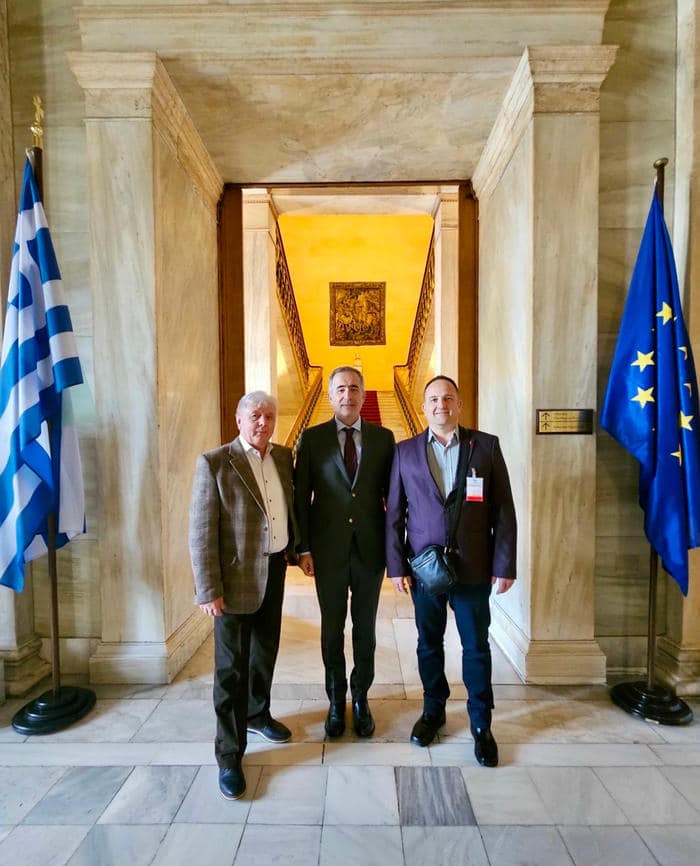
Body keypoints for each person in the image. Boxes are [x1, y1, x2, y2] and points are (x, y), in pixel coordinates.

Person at [385, 375, 516, 767]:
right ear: (423, 407)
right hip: (426, 570)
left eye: (447, 398)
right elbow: (395, 514)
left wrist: (504, 565)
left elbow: (503, 510)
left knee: (476, 646)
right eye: (433, 399)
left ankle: (481, 723)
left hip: (474, 567)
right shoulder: (404, 452)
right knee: (428, 643)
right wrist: (396, 566)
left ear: (459, 404)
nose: (440, 405)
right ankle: (433, 711)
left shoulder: (485, 446)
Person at [189, 391, 298, 800]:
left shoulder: (283, 457)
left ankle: (257, 713)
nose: (263, 423)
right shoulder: (215, 463)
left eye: (269, 416)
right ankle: (229, 754)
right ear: (238, 419)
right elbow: (201, 532)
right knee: (230, 670)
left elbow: (287, 508)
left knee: (265, 652)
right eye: (255, 416)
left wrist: (297, 549)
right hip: (234, 581)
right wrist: (208, 589)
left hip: (274, 570)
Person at [295, 366, 395, 737]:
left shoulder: (384, 439)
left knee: (365, 630)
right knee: (331, 629)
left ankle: (361, 697)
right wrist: (303, 548)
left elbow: (394, 498)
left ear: (364, 395)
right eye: (340, 389)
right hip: (328, 552)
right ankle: (336, 700)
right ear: (330, 395)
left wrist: (396, 551)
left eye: (354, 388)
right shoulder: (312, 438)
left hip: (370, 552)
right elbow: (300, 498)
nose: (347, 395)